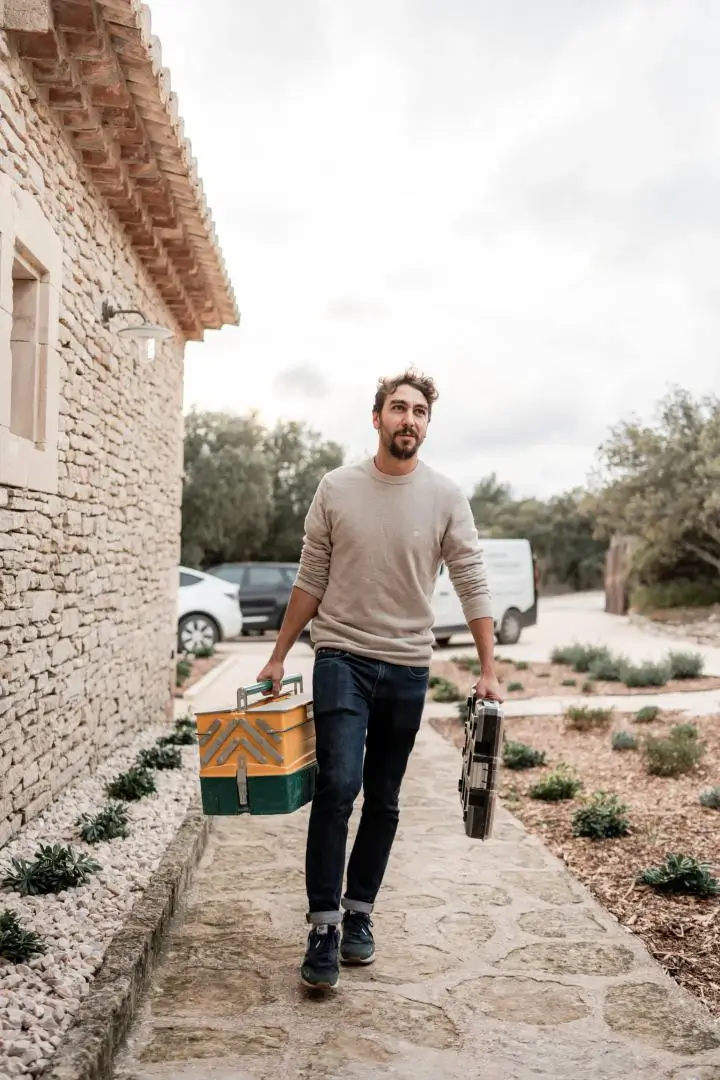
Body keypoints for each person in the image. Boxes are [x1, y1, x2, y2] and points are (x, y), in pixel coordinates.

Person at [257, 369, 503, 990]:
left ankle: (359, 912)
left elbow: (471, 579)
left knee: (385, 797)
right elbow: (311, 576)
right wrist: (279, 654)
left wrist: (488, 668)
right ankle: (323, 926)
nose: (408, 419)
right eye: (398, 408)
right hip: (341, 655)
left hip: (408, 665)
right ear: (377, 418)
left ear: (427, 425)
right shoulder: (337, 488)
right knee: (338, 785)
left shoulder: (445, 496)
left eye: (419, 411)